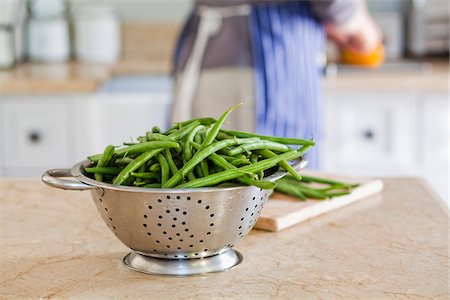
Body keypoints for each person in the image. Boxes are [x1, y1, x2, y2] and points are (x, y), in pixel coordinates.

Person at [171, 0, 382, 169]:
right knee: (273, 185)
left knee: (204, 184)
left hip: (206, 48)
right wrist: (355, 22)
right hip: (268, 53)